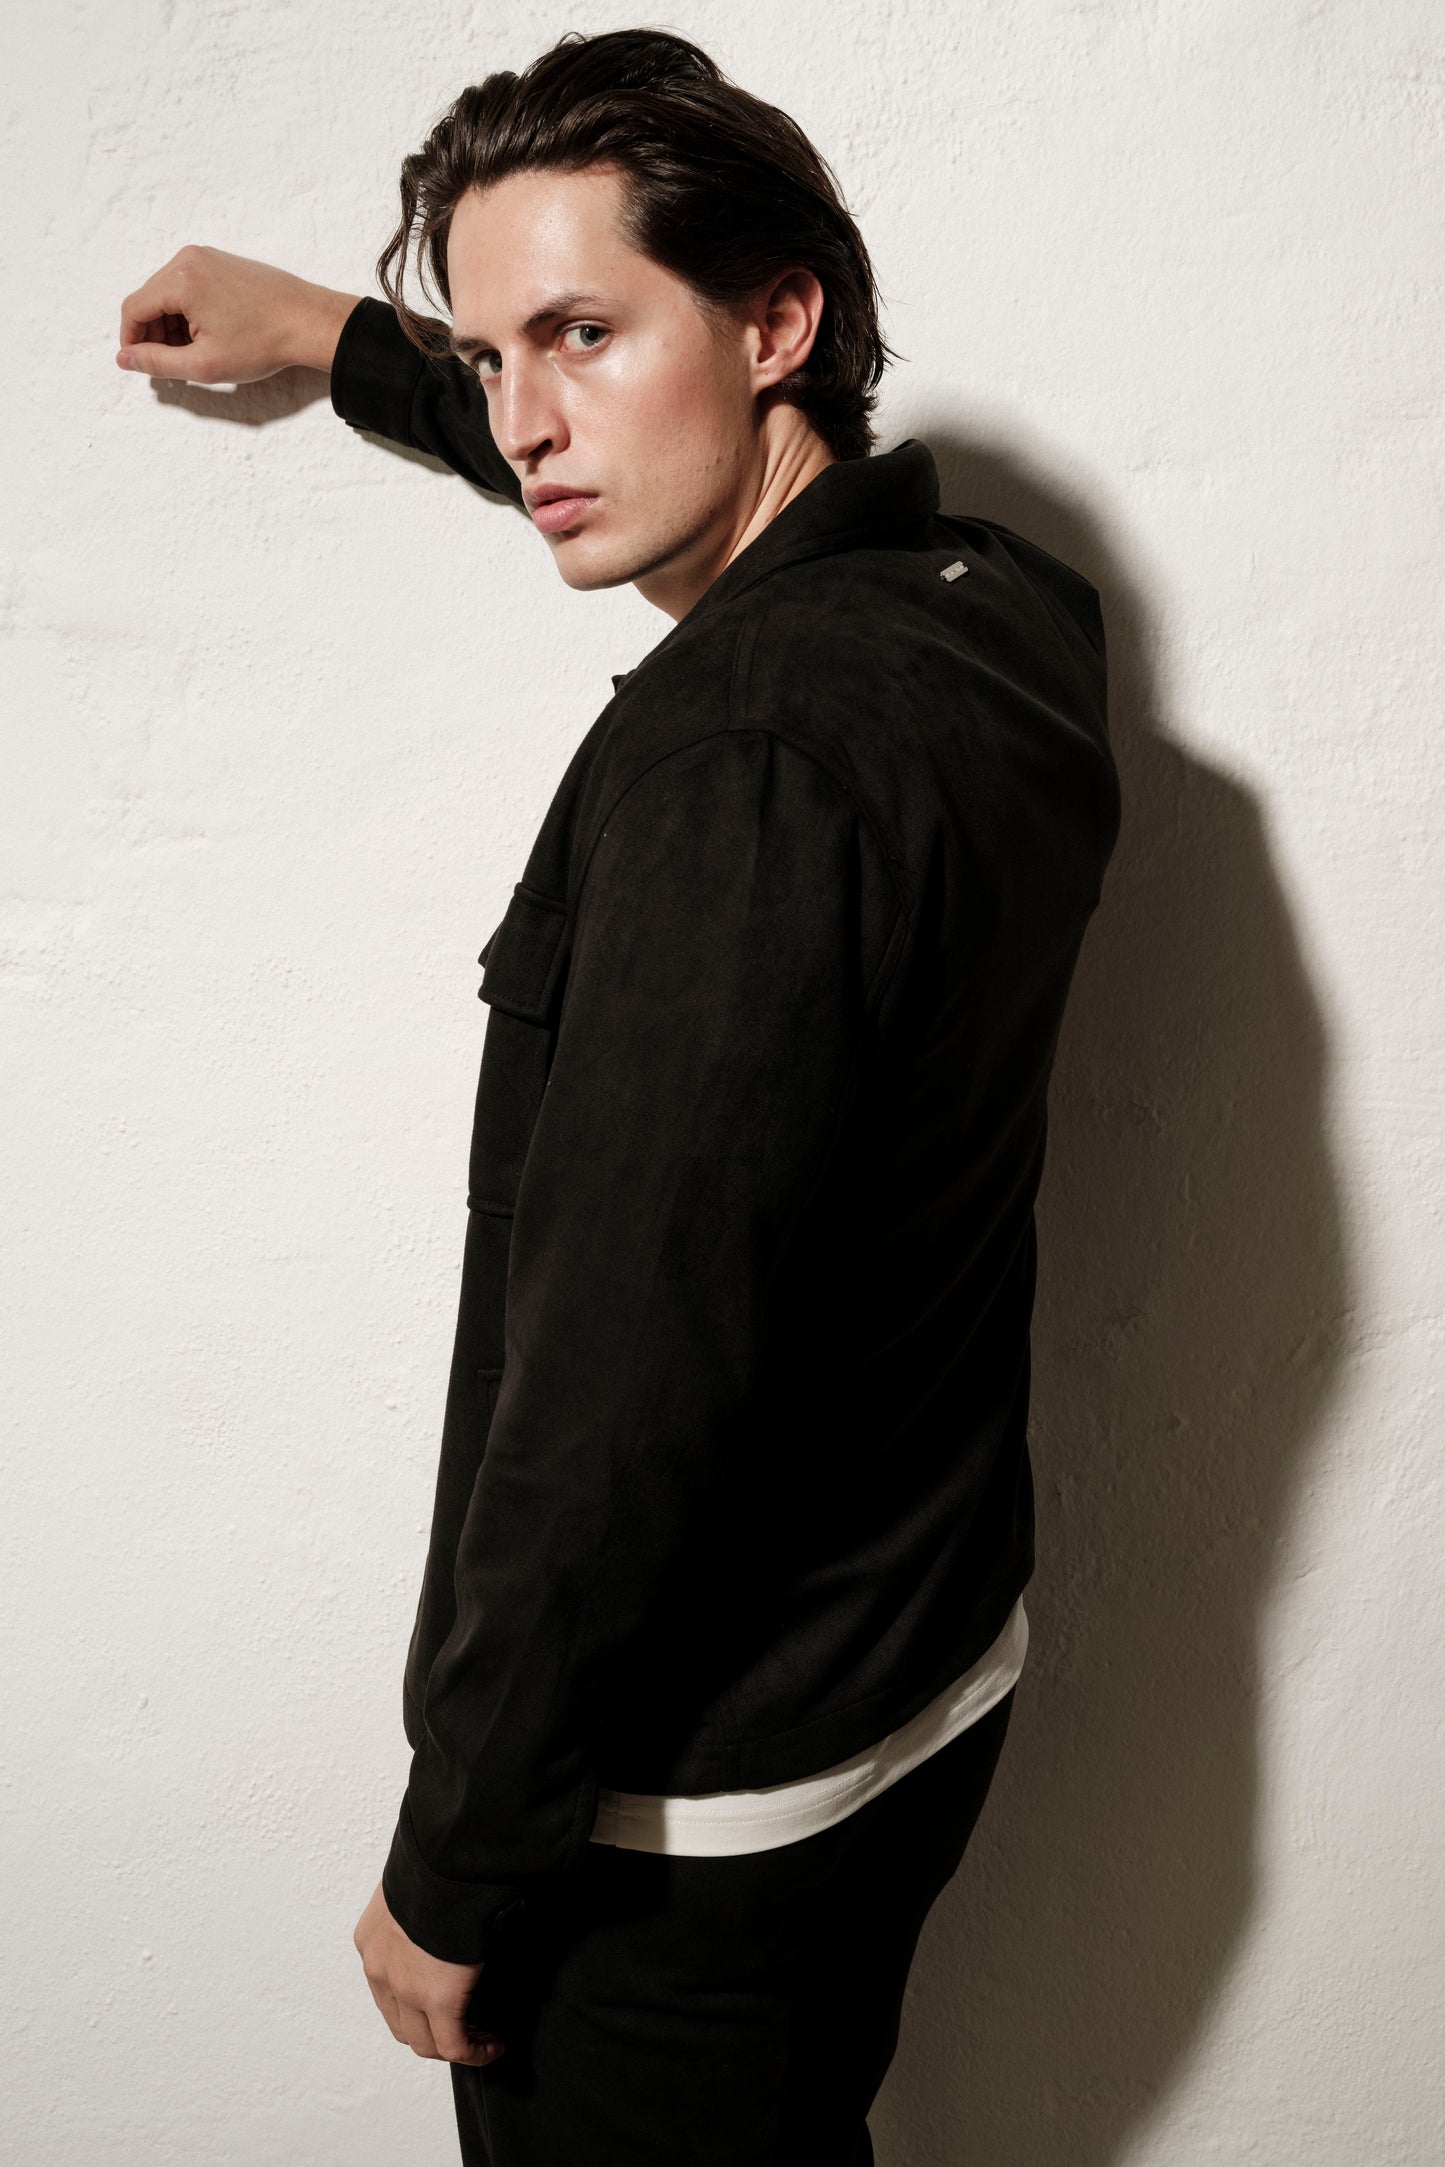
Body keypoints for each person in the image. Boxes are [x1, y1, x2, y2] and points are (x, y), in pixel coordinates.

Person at [116, 29, 1121, 2167]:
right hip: (916, 1674)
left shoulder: (733, 778)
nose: (526, 423)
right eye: (492, 358)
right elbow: (658, 478)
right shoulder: (1002, 612)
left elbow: (615, 1395)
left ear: (779, 322)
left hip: (678, 1828)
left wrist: (458, 1864)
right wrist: (340, 342)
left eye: (581, 335)